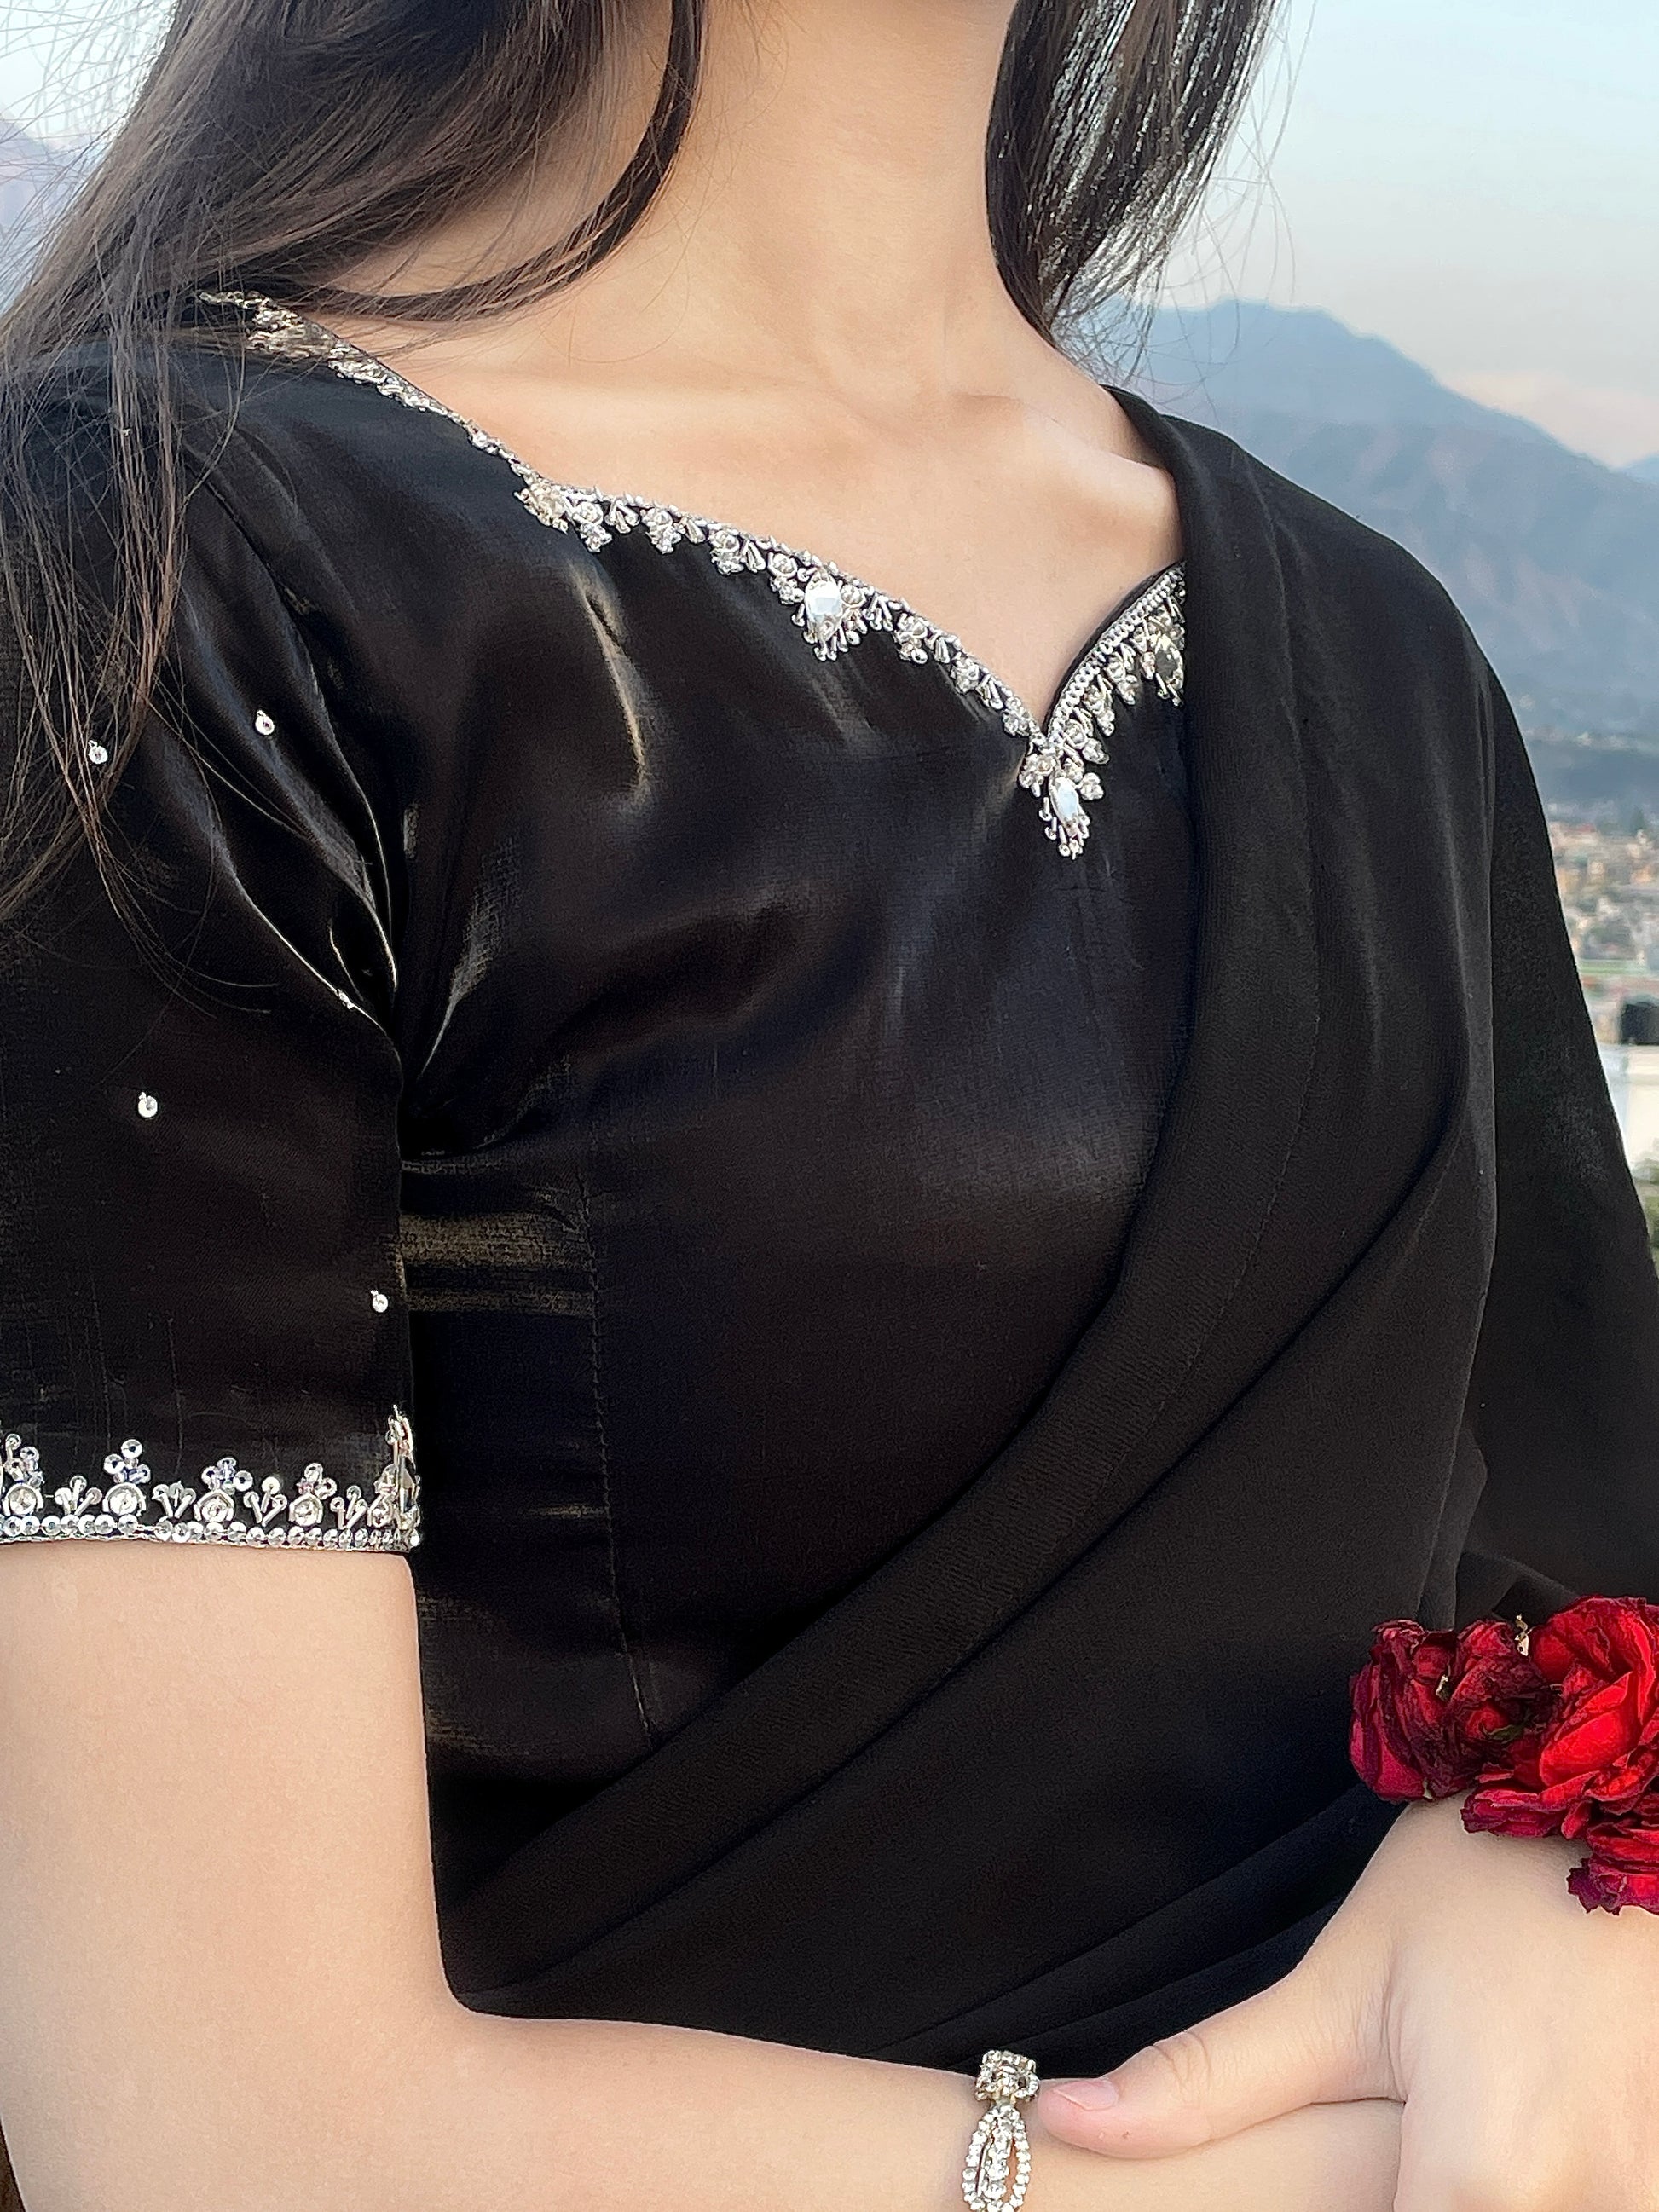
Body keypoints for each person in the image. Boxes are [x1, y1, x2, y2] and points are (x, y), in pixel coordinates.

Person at [1, 3, 1656, 2207]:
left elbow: (1568, 1585)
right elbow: (220, 2137)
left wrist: (1561, 1869)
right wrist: (1409, 2173)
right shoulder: (168, 560)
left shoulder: (1381, 665)